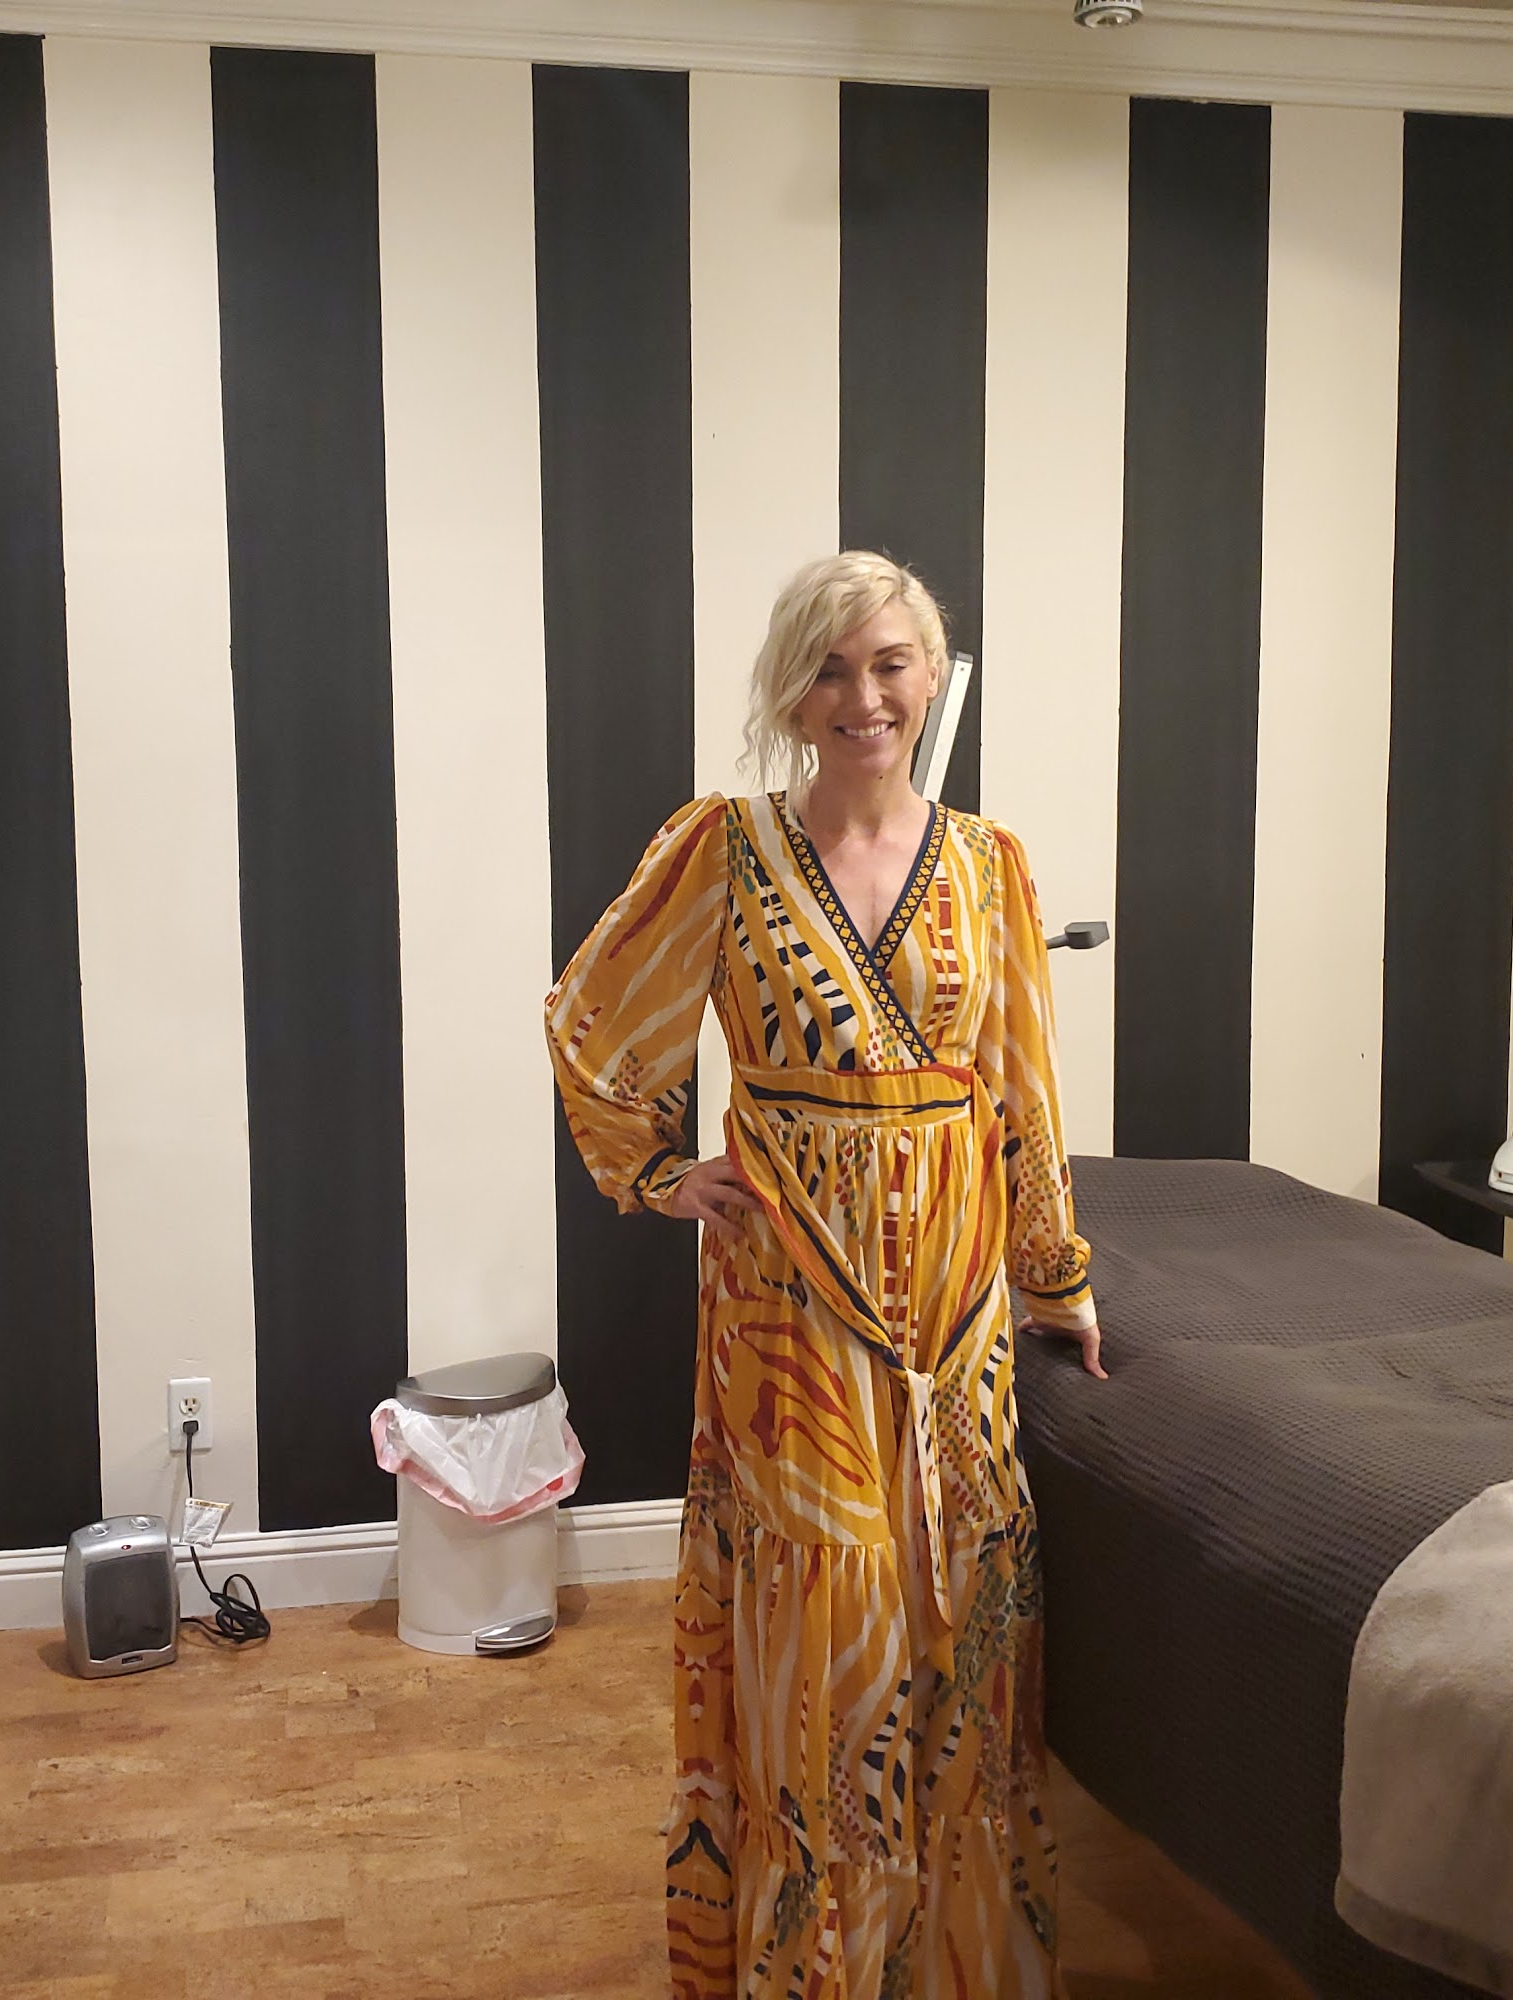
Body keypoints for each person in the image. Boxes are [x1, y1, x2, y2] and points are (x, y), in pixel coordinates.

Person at [545, 550, 1105, 1999]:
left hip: (956, 1322)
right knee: (826, 1637)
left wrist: (1055, 1280)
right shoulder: (724, 849)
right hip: (789, 1311)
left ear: (932, 675)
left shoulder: (988, 864)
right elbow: (593, 1021)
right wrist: (660, 1175)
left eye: (892, 664)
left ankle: (959, 1968)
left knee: (962, 1621)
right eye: (833, 669)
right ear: (792, 694)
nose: (866, 697)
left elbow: (1024, 1086)